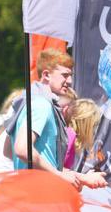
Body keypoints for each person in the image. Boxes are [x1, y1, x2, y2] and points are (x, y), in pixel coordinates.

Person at [12, 49, 105, 190]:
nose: (70, 81)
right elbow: (22, 149)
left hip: (36, 190)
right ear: (46, 75)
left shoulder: (39, 102)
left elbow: (52, 164)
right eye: (65, 75)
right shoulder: (40, 104)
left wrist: (81, 178)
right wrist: (59, 175)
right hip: (35, 192)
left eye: (70, 75)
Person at [63, 98, 101, 170]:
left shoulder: (69, 134)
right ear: (86, 122)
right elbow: (56, 168)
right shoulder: (70, 136)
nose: (94, 127)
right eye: (94, 123)